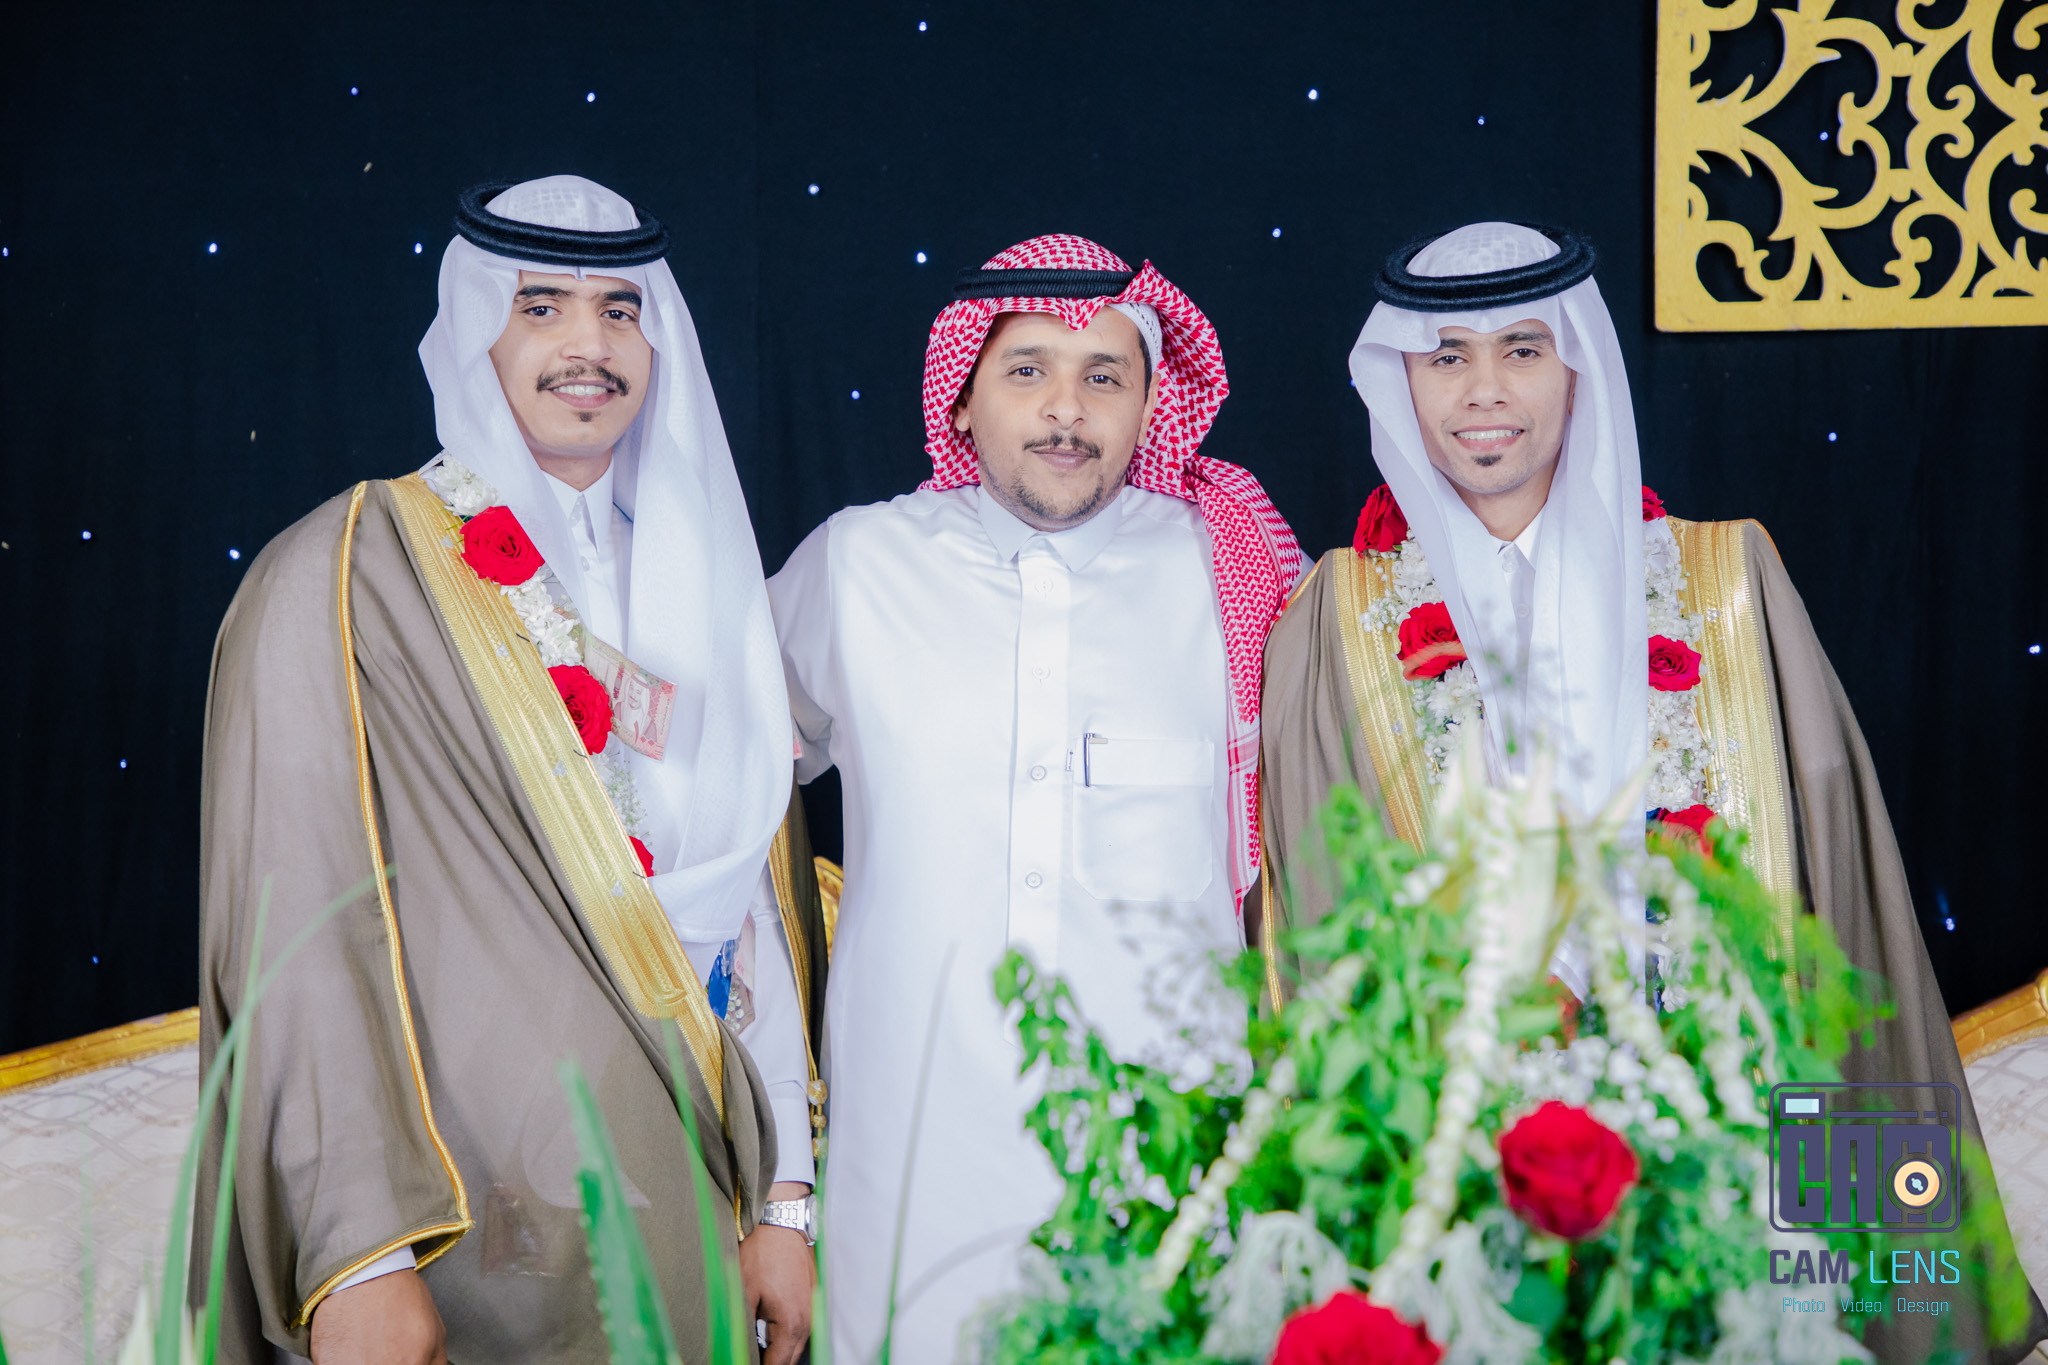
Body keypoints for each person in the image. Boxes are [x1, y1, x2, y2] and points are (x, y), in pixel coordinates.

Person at [1257, 220, 2046, 1363]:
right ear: (1402, 382)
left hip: (1722, 1124)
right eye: (1445, 358)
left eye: (1521, 349)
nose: (1483, 391)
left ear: (1576, 365)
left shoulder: (1723, 582)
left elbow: (1831, 910)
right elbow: (1319, 930)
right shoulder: (1335, 619)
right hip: (1468, 1147)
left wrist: (1889, 1257)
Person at [194, 176, 827, 1365]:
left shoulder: (714, 595)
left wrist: (785, 1199)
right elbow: (298, 934)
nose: (589, 345)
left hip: (699, 1194)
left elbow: (752, 912)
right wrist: (360, 1260)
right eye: (540, 306)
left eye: (620, 310)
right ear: (473, 329)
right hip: (464, 1233)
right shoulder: (343, 577)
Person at [769, 235, 1303, 1362]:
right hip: (913, 1158)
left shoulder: (1230, 572)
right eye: (1027, 371)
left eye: (1104, 375)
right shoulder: (857, 566)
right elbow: (724, 779)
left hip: (1173, 1158)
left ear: (1150, 406)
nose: (1067, 408)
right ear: (962, 401)